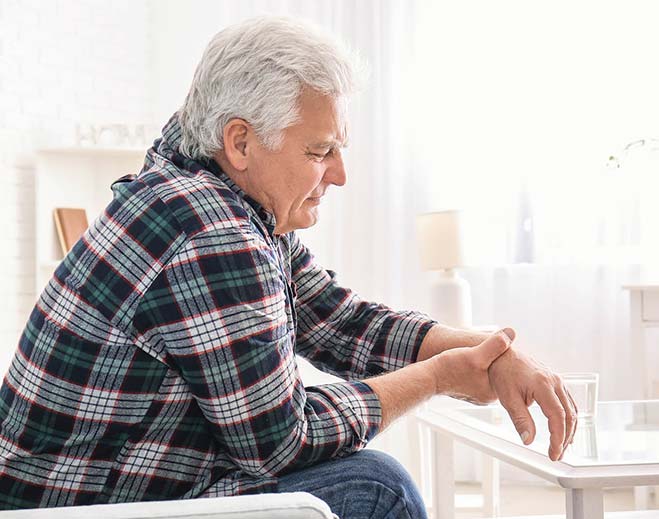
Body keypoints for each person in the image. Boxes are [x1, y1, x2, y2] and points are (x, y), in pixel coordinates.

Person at [0, 16, 577, 518]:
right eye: (319, 151)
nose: (341, 174)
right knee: (377, 488)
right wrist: (435, 377)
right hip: (83, 512)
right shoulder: (209, 229)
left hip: (119, 491)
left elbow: (336, 320)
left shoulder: (218, 197)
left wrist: (491, 351)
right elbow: (280, 441)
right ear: (242, 142)